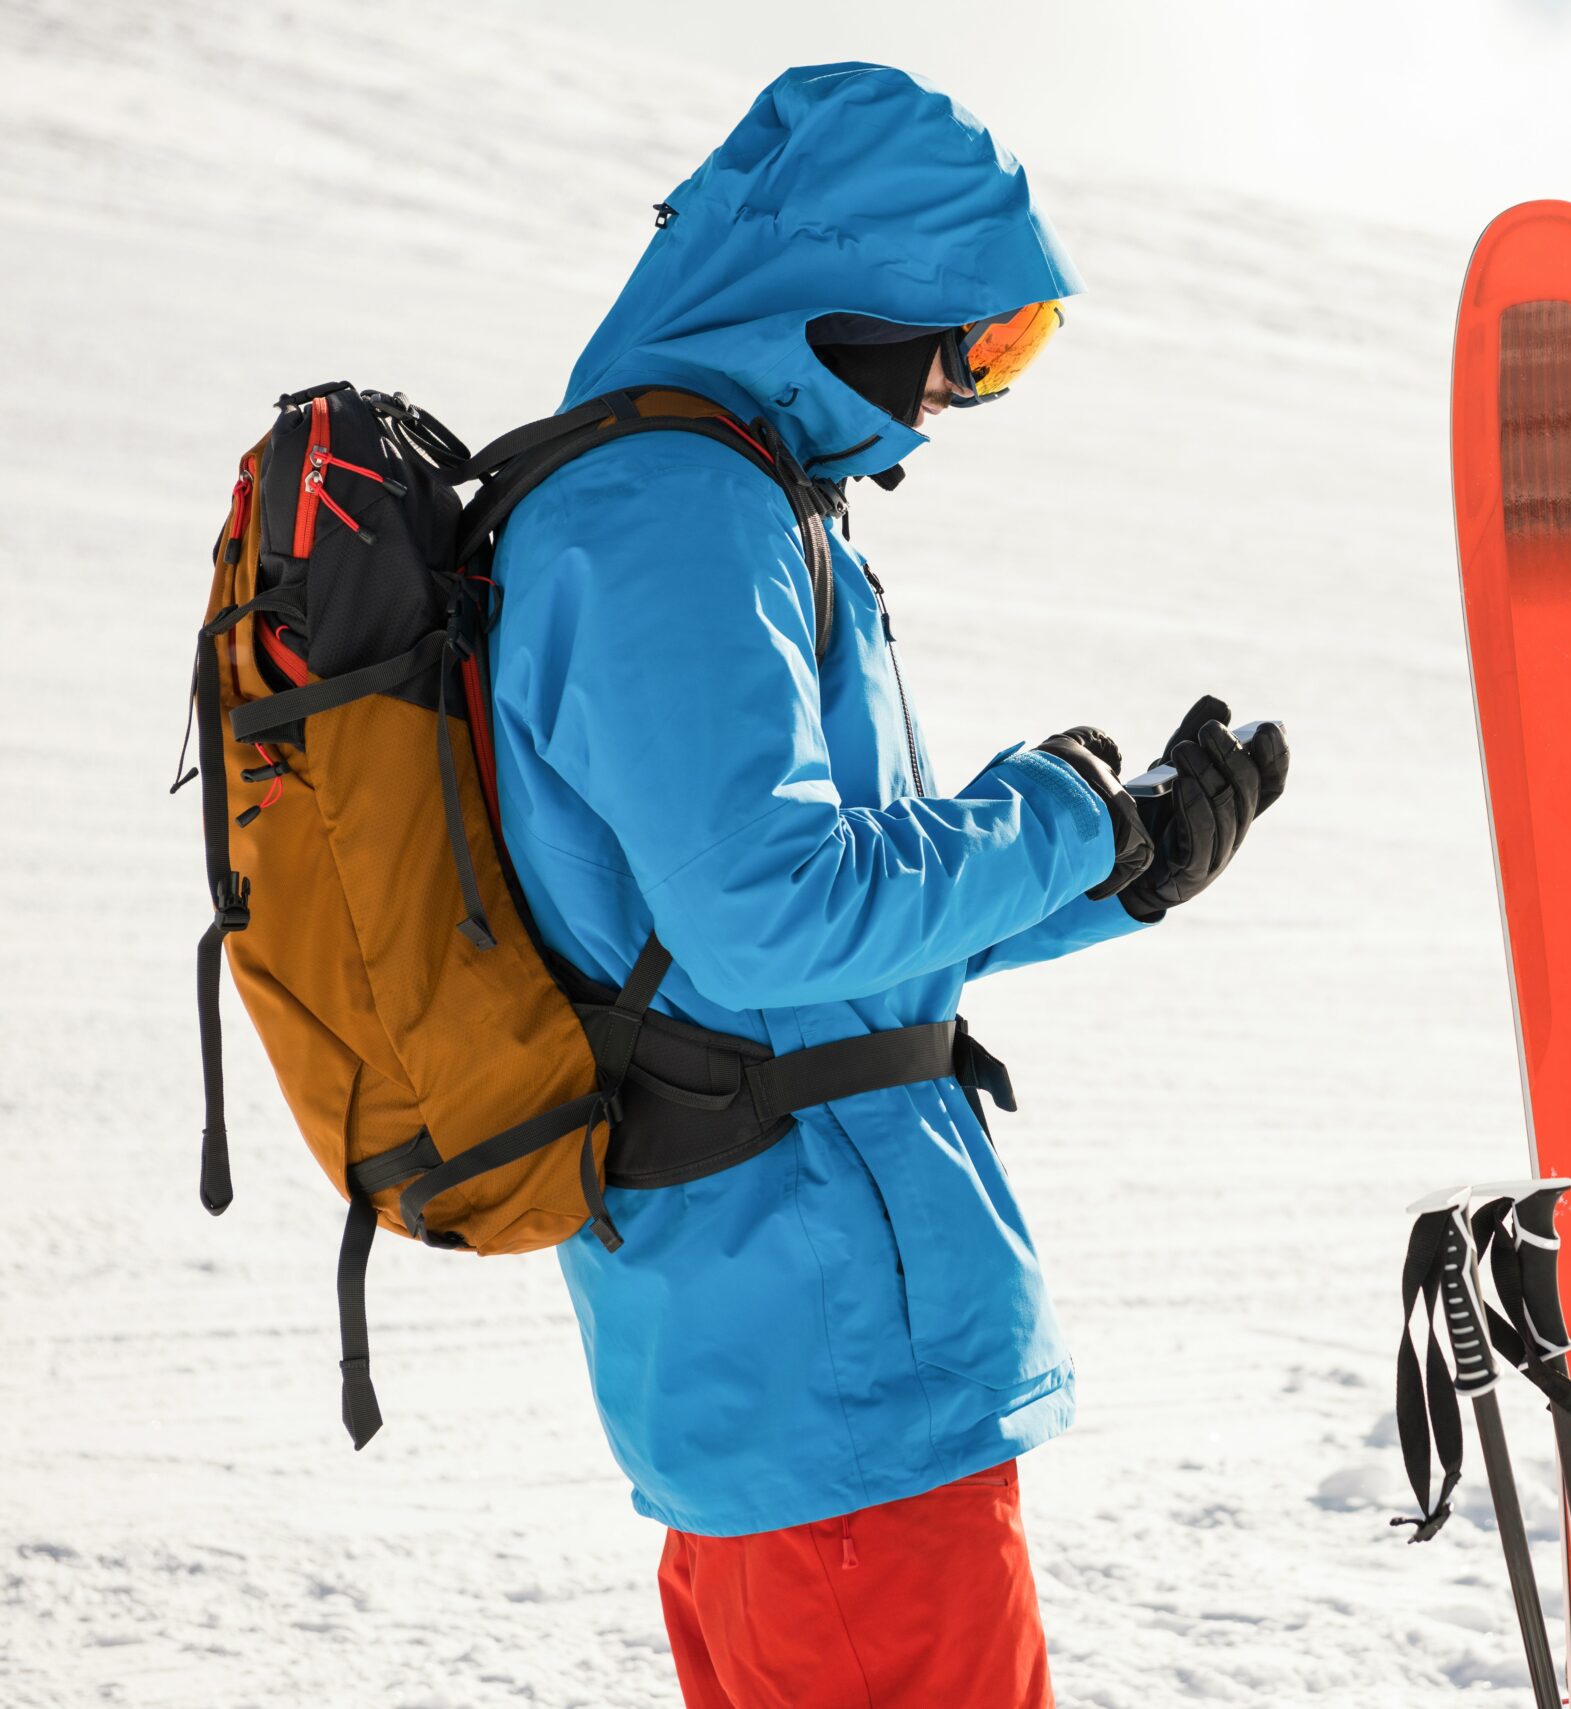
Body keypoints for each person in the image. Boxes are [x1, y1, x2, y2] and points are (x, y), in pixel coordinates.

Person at [485, 63, 1288, 1709]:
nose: (960, 393)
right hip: (825, 1363)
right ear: (843, 291)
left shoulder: (730, 498)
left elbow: (820, 946)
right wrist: (1054, 818)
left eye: (1014, 353)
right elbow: (771, 912)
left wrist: (1123, 863)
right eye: (974, 342)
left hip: (796, 1365)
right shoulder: (672, 515)